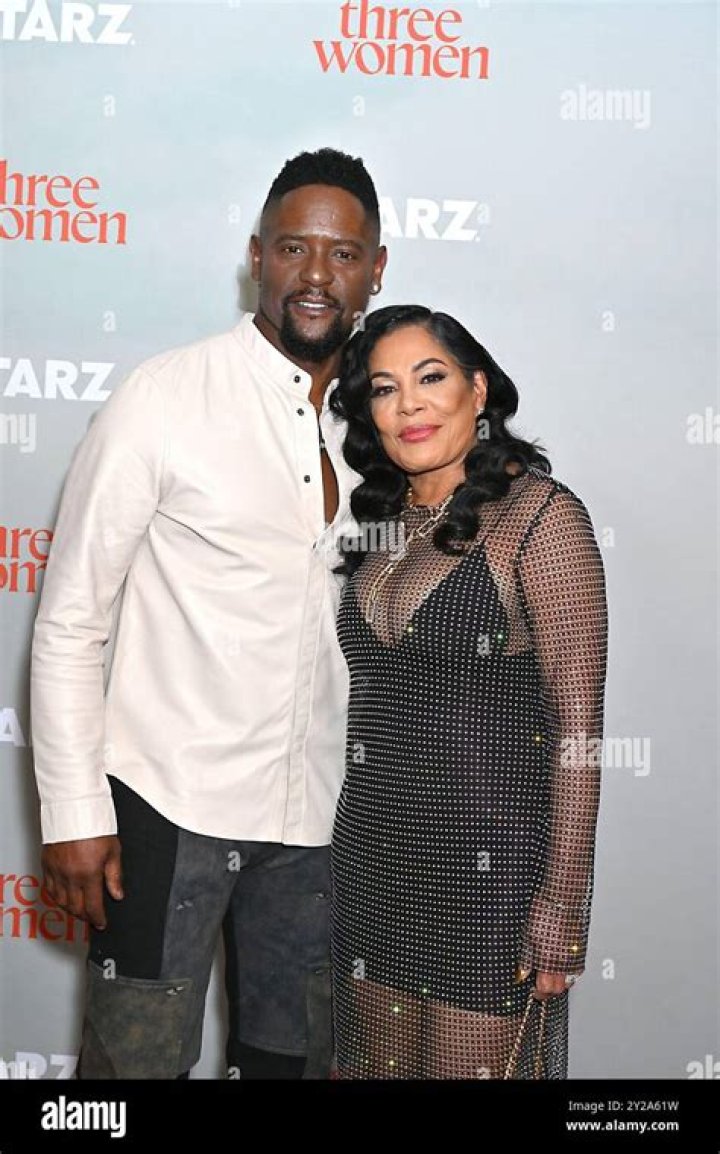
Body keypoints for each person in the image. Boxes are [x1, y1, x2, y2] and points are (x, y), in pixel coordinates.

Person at [29, 147, 387, 1080]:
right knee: (131, 1071)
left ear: (376, 270)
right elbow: (71, 621)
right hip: (167, 808)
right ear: (257, 256)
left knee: (292, 1064)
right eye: (293, 248)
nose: (316, 274)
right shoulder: (163, 397)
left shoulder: (385, 424)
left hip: (319, 820)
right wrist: (72, 810)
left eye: (343, 253)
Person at [329, 305, 608, 1079]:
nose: (409, 405)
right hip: (370, 865)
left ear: (477, 390)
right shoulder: (381, 525)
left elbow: (579, 729)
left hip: (491, 886)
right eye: (384, 388)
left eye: (430, 378)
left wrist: (563, 907)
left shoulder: (539, 517)